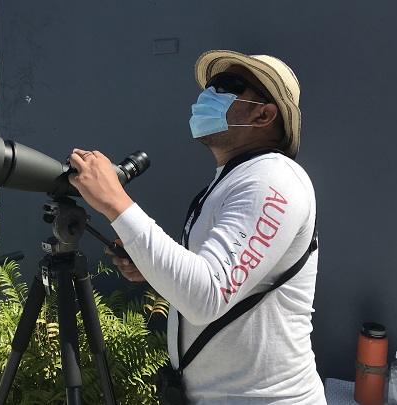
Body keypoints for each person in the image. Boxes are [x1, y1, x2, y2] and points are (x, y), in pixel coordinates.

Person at [68, 49, 326, 404]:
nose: (207, 94)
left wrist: (114, 201)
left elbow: (207, 296)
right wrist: (151, 265)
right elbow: (210, 279)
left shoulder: (272, 179)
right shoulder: (236, 179)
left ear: (264, 114)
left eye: (226, 85)